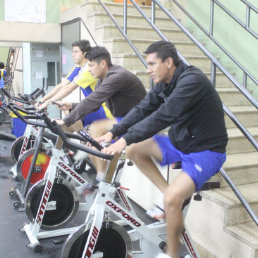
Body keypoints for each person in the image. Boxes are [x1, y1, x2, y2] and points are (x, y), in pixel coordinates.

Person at [99, 40, 228, 258]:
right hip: (180, 143)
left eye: (152, 64)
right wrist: (115, 131)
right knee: (134, 150)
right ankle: (166, 192)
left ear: (169, 62)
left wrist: (126, 138)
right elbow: (143, 108)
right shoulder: (164, 83)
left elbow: (165, 115)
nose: (148, 70)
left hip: (206, 151)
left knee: (171, 202)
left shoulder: (192, 81)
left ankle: (172, 254)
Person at [54, 46, 146, 183]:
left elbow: (93, 100)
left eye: (91, 65)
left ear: (103, 64)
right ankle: (100, 177)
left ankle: (102, 182)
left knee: (96, 131)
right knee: (89, 137)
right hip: (124, 119)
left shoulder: (117, 77)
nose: (89, 69)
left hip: (139, 121)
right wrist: (71, 106)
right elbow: (95, 103)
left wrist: (66, 120)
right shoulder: (101, 80)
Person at [38, 40, 112, 129]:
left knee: (69, 117)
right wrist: (42, 100)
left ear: (85, 54)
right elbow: (62, 85)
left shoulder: (87, 70)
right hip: (94, 105)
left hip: (101, 108)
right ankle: (80, 139)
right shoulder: (78, 68)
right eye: (73, 52)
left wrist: (48, 102)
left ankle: (84, 139)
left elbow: (69, 88)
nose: (73, 54)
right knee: (65, 125)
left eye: (76, 52)